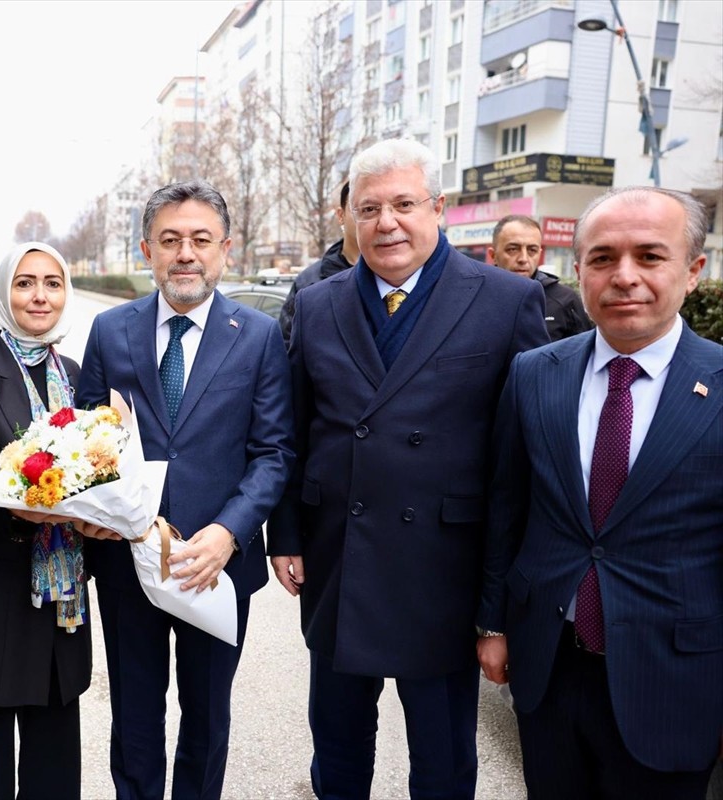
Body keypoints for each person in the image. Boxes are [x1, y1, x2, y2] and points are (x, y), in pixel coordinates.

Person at [267, 138, 548, 800]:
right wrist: (285, 534)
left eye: (403, 204)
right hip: (342, 561)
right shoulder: (317, 304)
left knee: (443, 760)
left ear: (439, 208)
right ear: (350, 220)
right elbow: (293, 429)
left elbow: (519, 464)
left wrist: (496, 603)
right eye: (369, 208)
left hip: (443, 571)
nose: (386, 223)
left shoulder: (506, 301)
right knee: (336, 750)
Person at [476, 187, 722, 799]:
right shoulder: (534, 373)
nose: (625, 277)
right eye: (604, 258)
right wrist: (492, 623)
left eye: (650, 256)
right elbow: (508, 505)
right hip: (549, 668)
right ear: (579, 269)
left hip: (676, 681)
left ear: (693, 272)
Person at [77, 179, 295, 800]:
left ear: (225, 249)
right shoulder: (110, 330)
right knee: (135, 721)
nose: (185, 253)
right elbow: (92, 440)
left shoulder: (256, 336)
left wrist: (229, 533)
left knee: (206, 719)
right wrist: (98, 510)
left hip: (215, 566)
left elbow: (274, 452)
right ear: (146, 249)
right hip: (129, 562)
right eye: (170, 239)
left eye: (201, 239)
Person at [0, 241, 109, 799]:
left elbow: (102, 465)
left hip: (61, 601)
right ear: (4, 292)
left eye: (52, 282)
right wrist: (53, 502)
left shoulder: (74, 373)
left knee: (55, 766)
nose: (39, 295)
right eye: (24, 282)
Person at [488, 214, 592, 341]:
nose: (523, 259)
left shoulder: (564, 300)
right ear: (493, 254)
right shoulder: (475, 296)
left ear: (539, 253)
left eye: (532, 250)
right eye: (513, 249)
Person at [278, 181, 358, 345]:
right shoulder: (309, 283)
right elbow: (287, 347)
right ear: (340, 215)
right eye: (361, 208)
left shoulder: (398, 275)